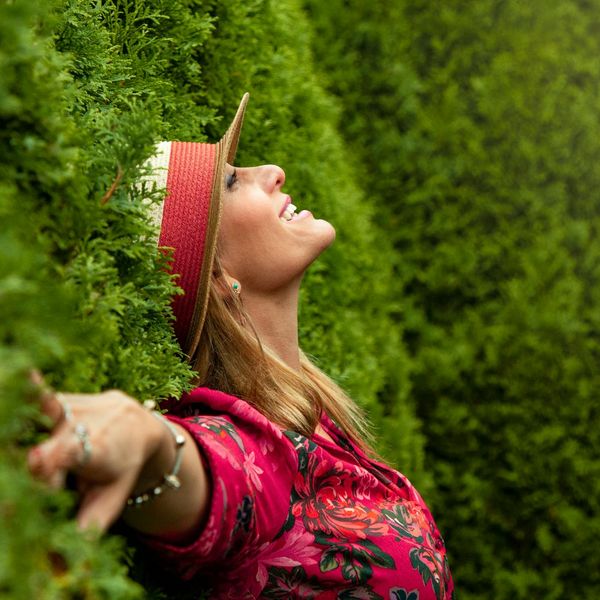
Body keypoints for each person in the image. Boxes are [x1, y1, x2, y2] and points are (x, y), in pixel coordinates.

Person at [27, 94, 455, 599]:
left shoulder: (312, 417)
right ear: (216, 277)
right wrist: (147, 441)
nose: (273, 170)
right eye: (232, 180)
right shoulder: (250, 451)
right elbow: (209, 473)